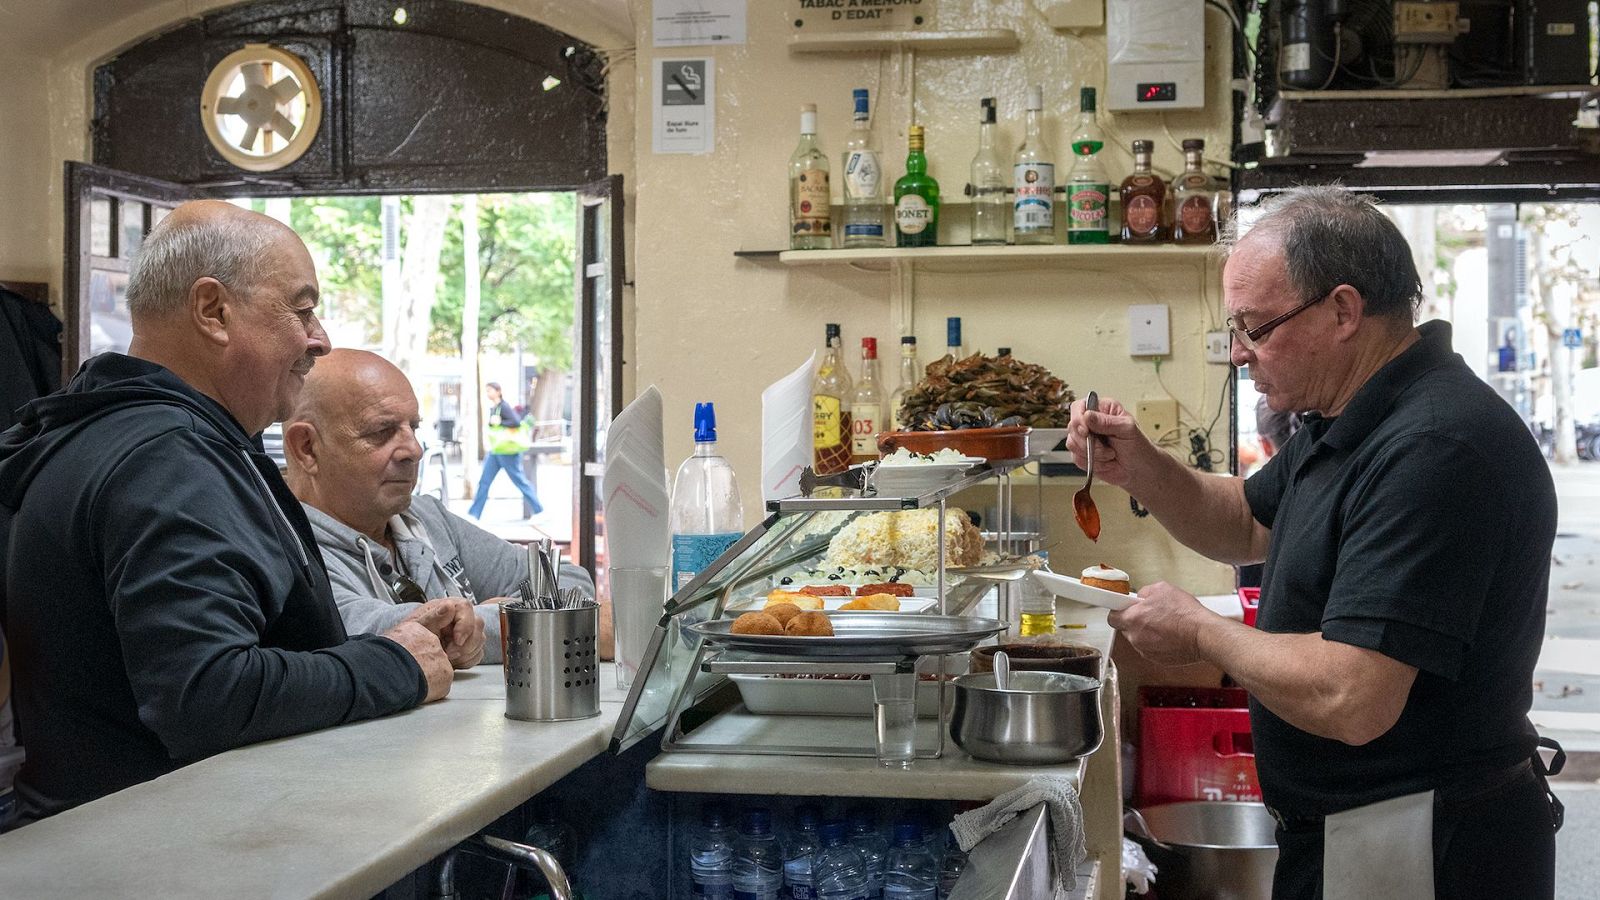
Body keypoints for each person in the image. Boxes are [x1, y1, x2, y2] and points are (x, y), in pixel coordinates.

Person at [1068, 186, 1559, 898]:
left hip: (1418, 837)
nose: (1238, 354)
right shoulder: (1351, 415)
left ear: (1343, 311)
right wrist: (1140, 466)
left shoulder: (1434, 447)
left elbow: (1353, 695)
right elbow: (1247, 521)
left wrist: (1201, 632)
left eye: (1255, 328)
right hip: (1354, 826)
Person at [0, 201, 464, 822]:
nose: (320, 339)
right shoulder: (169, 458)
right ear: (213, 311)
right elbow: (207, 695)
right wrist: (395, 666)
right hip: (156, 847)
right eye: (301, 310)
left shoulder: (114, 433)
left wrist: (373, 650)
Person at [284, 349, 595, 663]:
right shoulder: (286, 554)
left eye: (414, 428)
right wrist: (514, 615)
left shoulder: (426, 517)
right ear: (307, 448)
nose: (414, 450)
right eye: (382, 432)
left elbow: (568, 581)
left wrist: (483, 619)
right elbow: (406, 639)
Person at [468, 381, 543, 519]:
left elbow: (515, 422)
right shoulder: (494, 408)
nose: (488, 393)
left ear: (498, 391)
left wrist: (500, 422)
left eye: (490, 390)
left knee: (520, 481)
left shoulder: (504, 406)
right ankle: (474, 514)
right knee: (484, 482)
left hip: (508, 451)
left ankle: (539, 510)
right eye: (487, 391)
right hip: (496, 450)